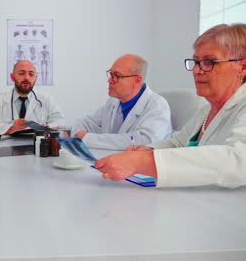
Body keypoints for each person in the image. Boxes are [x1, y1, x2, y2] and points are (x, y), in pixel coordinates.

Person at [95, 23, 246, 188]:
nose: (196, 70)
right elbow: (178, 144)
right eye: (196, 62)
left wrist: (144, 162)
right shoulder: (206, 112)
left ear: (242, 67)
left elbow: (239, 159)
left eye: (209, 62)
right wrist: (148, 151)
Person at [72, 54, 172, 150]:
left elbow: (145, 141)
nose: (110, 81)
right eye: (111, 74)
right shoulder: (113, 103)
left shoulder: (157, 105)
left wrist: (89, 138)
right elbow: (84, 123)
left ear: (137, 80)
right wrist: (78, 134)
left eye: (116, 76)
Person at [0, 60, 66, 136]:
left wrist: (48, 127)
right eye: (21, 73)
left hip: (37, 148)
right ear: (12, 77)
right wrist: (10, 128)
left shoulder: (47, 99)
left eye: (31, 74)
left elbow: (60, 122)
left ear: (35, 78)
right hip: (5, 148)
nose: (26, 78)